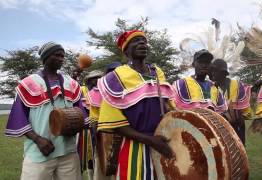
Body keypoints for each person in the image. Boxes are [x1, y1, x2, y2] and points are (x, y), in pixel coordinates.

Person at [4, 41, 89, 180]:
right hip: (39, 152)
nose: (61, 59)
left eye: (63, 56)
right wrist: (38, 140)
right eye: (57, 55)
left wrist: (79, 125)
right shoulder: (28, 84)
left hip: (68, 152)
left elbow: (82, 114)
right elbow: (19, 118)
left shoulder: (72, 84)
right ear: (45, 57)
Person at [97, 30, 175, 180]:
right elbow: (116, 124)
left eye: (144, 41)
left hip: (163, 143)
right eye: (136, 41)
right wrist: (150, 140)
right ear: (126, 50)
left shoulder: (157, 72)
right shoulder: (115, 78)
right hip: (135, 147)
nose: (142, 43)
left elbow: (168, 107)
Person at [210, 59, 251, 145]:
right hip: (218, 128)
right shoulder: (211, 88)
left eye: (215, 71)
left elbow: (246, 111)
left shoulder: (237, 85)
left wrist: (236, 116)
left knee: (237, 152)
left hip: (237, 127)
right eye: (212, 71)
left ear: (223, 73)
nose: (212, 73)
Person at [78, 70, 104, 180]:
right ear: (88, 81)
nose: (96, 81)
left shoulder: (103, 91)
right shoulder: (82, 91)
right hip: (85, 130)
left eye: (98, 78)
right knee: (88, 156)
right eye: (93, 79)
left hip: (101, 127)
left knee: (99, 154)